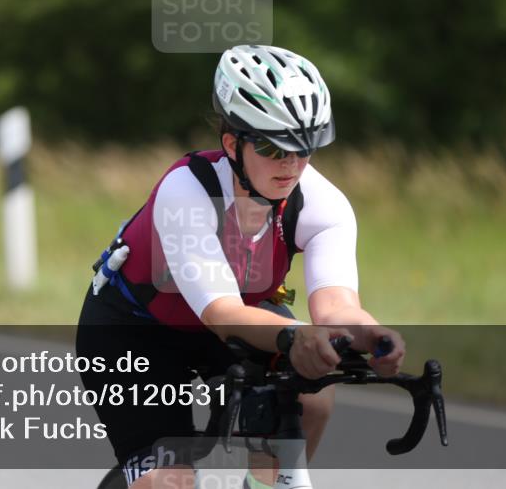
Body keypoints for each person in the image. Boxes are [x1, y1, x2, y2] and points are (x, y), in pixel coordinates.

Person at [75, 45, 405, 489]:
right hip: (135, 331)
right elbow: (222, 313)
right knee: (172, 481)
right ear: (232, 144)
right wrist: (294, 334)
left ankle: (259, 483)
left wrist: (371, 335)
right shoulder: (186, 191)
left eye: (305, 147)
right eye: (273, 146)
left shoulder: (324, 205)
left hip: (235, 328)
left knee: (313, 398)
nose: (290, 163)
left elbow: (336, 306)